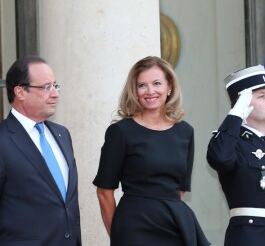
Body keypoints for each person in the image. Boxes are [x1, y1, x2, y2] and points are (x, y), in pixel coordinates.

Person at [93, 56, 210, 246]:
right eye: (142, 86)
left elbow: (179, 189)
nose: (150, 91)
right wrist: (118, 235)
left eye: (157, 83)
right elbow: (104, 192)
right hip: (134, 228)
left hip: (175, 226)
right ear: (135, 91)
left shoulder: (185, 131)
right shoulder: (121, 132)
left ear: (169, 86)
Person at [207, 65, 265, 246]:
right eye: (261, 96)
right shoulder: (233, 143)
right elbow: (219, 157)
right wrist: (236, 114)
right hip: (253, 237)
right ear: (243, 103)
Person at [0, 56, 82, 245]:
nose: (55, 94)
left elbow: (67, 205)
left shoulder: (62, 134)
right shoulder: (3, 140)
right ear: (20, 92)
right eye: (46, 87)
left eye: (55, 86)